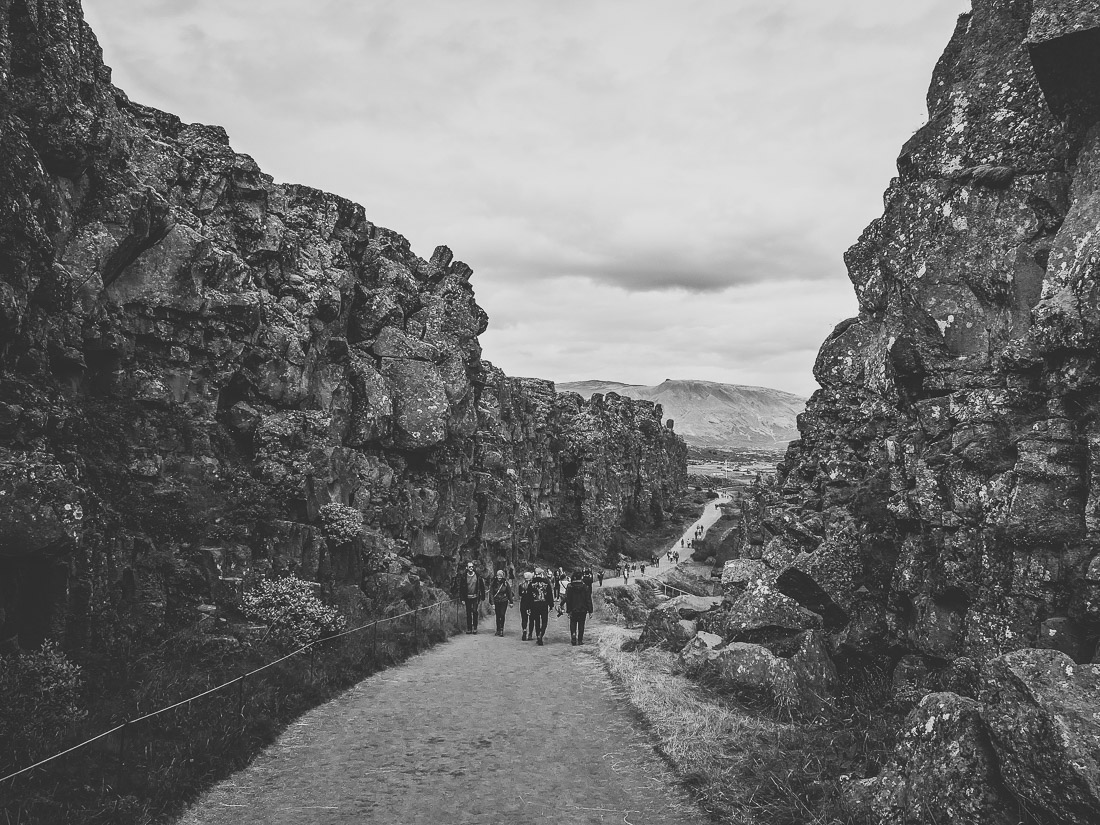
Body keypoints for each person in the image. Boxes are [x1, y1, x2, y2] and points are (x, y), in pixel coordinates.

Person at [455, 561, 485, 633]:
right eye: (469, 567)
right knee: (468, 613)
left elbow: (481, 586)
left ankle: (475, 627)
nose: (471, 568)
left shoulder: (477, 576)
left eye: (472, 567)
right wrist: (462, 599)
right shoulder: (464, 577)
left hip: (475, 597)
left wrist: (482, 596)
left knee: (474, 611)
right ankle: (469, 628)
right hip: (467, 597)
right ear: (467, 568)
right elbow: (461, 588)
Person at [564, 571, 593, 645]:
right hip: (583, 609)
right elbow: (588, 600)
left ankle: (573, 635)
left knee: (573, 623)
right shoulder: (585, 587)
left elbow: (568, 599)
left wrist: (568, 610)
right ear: (581, 577)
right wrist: (590, 611)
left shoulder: (570, 587)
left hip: (573, 608)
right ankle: (580, 640)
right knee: (581, 624)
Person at [528, 567, 554, 645]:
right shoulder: (546, 583)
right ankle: (541, 634)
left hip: (534, 604)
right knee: (544, 621)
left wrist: (528, 606)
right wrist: (551, 605)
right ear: (541, 574)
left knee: (537, 620)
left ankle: (538, 634)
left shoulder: (531, 583)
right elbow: (549, 594)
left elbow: (529, 596)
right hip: (544, 604)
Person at [488, 570, 513, 636]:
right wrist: (492, 603)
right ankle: (498, 629)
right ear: (496, 576)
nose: (499, 577)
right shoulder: (493, 583)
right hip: (496, 601)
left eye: (501, 576)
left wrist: (511, 602)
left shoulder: (505, 583)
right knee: (498, 615)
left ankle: (501, 629)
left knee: (502, 614)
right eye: (498, 576)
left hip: (504, 601)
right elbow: (491, 593)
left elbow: (509, 592)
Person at [519, 571, 535, 640]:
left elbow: (520, 594)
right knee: (532, 619)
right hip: (531, 603)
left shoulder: (521, 585)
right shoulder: (533, 585)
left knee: (524, 618)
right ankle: (530, 634)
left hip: (523, 603)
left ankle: (524, 630)